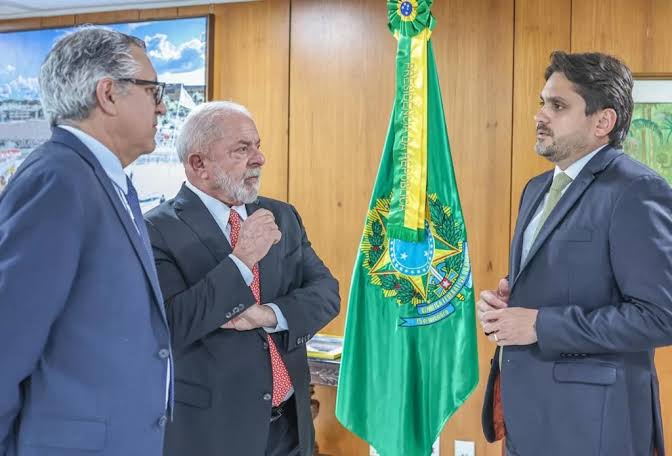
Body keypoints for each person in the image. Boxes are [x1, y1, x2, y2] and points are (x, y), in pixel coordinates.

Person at [479, 51, 672, 456]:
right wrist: (506, 303)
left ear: (603, 122)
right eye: (542, 102)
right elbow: (557, 285)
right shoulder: (535, 189)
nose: (540, 115)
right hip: (527, 420)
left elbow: (661, 316)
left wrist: (540, 326)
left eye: (558, 105)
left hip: (594, 428)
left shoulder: (636, 192)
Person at [0, 27, 173, 455]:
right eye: (153, 90)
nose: (163, 106)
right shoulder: (57, 180)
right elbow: (7, 341)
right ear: (108, 94)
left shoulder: (110, 183)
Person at [145, 101, 340, 456]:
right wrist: (242, 259)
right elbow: (173, 324)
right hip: (213, 434)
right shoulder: (153, 229)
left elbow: (326, 293)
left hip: (291, 427)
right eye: (242, 149)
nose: (259, 158)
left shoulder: (281, 215)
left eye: (258, 145)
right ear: (198, 164)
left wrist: (268, 315)